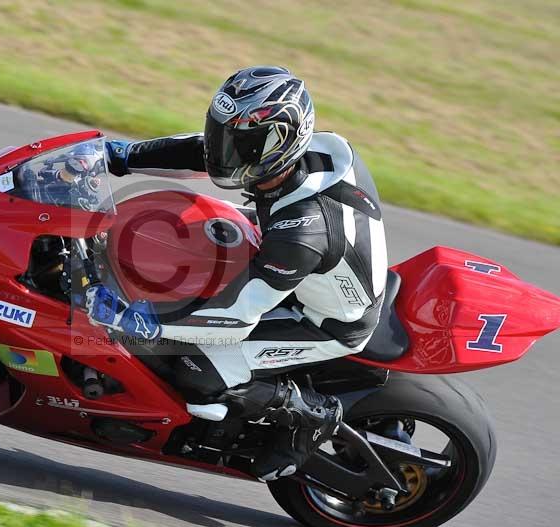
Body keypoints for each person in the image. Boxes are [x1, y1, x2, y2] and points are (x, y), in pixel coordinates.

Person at [85, 66, 388, 480]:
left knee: (198, 367)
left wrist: (135, 317)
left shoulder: (303, 232)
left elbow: (235, 317)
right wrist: (120, 157)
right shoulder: (302, 155)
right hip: (293, 261)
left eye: (241, 145)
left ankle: (310, 417)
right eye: (224, 136)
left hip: (323, 320)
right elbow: (204, 153)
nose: (227, 153)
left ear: (282, 144)